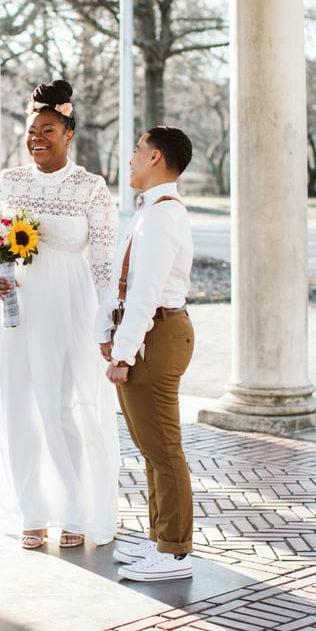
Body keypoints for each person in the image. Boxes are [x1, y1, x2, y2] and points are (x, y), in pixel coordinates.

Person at [0, 79, 120, 550]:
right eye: (32, 130)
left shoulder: (90, 188)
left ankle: (75, 509)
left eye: (49, 129)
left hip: (68, 308)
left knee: (62, 407)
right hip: (12, 308)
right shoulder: (8, 181)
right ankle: (31, 511)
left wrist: (108, 317)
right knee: (18, 407)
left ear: (69, 133)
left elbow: (103, 260)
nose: (37, 137)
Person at [99, 125, 196, 581]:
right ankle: (162, 541)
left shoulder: (162, 215)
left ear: (156, 158)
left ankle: (175, 553)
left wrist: (122, 353)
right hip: (148, 333)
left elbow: (145, 293)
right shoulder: (149, 211)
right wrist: (110, 333)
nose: (132, 157)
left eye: (138, 150)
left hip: (156, 334)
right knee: (151, 447)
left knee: (163, 447)